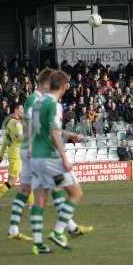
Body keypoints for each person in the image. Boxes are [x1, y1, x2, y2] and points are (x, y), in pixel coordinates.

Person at [30, 70, 93, 254]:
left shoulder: (38, 102)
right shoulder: (54, 105)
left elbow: (38, 129)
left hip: (36, 157)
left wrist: (70, 135)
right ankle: (58, 231)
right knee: (75, 193)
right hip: (50, 157)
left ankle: (38, 243)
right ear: (65, 86)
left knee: (41, 199)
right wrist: (64, 157)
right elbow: (54, 132)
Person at [0, 103, 24, 212]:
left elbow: (6, 141)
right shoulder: (16, 124)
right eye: (22, 109)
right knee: (12, 181)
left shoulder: (9, 123)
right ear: (16, 111)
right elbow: (21, 138)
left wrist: (1, 155)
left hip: (14, 153)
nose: (23, 112)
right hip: (16, 155)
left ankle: (31, 204)